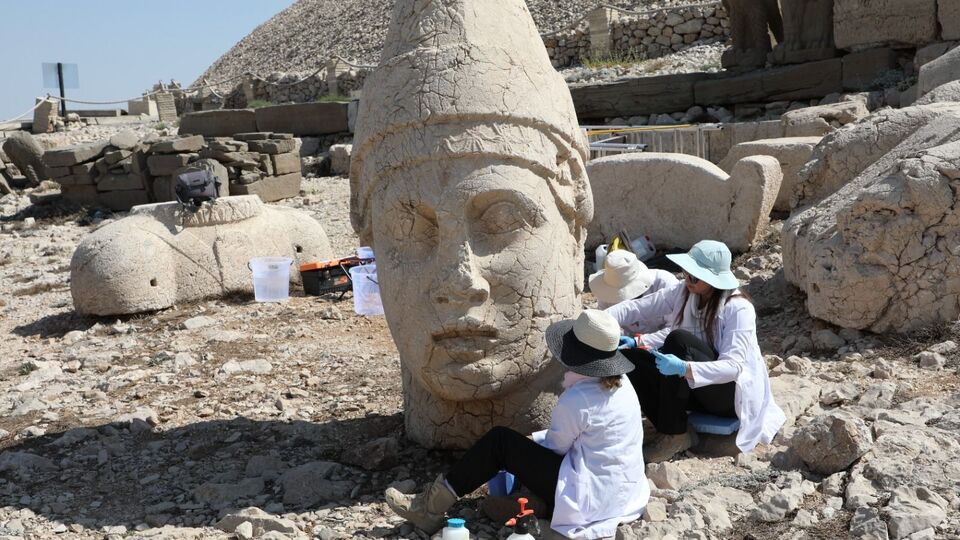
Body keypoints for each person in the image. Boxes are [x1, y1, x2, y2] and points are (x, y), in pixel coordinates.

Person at [384, 310, 649, 539]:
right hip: (623, 493)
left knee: (500, 442)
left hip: (589, 499)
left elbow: (555, 448)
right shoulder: (623, 384)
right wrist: (534, 441)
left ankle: (430, 507)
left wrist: (525, 445)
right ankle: (529, 503)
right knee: (519, 447)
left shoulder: (578, 399)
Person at [606, 240, 785, 463]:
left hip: (727, 397)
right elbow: (639, 308)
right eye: (686, 273)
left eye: (695, 276)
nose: (688, 279)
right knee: (630, 357)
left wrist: (684, 368)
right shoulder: (684, 293)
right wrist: (604, 323)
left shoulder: (738, 308)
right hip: (696, 390)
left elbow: (734, 367)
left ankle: (674, 434)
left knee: (678, 340)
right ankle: (669, 426)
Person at [589, 249, 679, 312]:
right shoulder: (606, 294)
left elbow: (675, 326)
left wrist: (642, 336)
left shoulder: (665, 284)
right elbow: (606, 323)